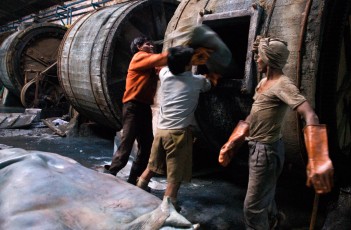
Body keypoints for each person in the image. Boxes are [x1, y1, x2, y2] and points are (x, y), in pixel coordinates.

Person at [218, 37, 334, 229]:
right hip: (258, 148)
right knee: (266, 196)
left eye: (259, 56)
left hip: (266, 152)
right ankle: (272, 222)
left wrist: (318, 157)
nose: (256, 59)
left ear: (269, 59)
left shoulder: (283, 85)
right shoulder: (264, 82)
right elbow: (254, 114)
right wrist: (234, 141)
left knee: (252, 209)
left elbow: (310, 114)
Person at [136, 45, 218, 210]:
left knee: (151, 167)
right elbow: (210, 83)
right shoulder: (197, 82)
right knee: (175, 175)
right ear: (189, 65)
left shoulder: (165, 75)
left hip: (161, 131)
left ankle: (136, 194)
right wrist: (212, 74)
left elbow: (168, 65)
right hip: (178, 135)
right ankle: (168, 208)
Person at [104, 36, 168, 184]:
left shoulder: (150, 63)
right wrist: (178, 52)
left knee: (147, 145)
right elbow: (160, 60)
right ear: (139, 47)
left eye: (152, 44)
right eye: (147, 44)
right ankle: (110, 174)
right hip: (132, 106)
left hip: (144, 106)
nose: (151, 46)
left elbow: (161, 69)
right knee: (127, 142)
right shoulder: (139, 57)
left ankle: (134, 179)